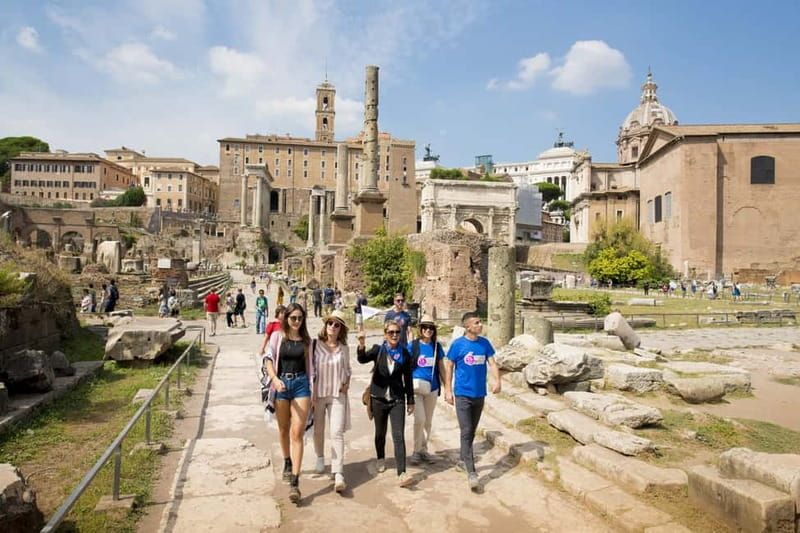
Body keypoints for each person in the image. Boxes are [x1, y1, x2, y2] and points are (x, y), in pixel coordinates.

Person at [444, 312, 500, 491]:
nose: (480, 324)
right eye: (477, 322)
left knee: (471, 431)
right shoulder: (458, 345)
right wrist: (447, 390)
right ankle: (472, 473)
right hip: (462, 395)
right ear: (468, 327)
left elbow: (492, 363)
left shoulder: (484, 344)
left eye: (480, 322)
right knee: (466, 431)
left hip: (479, 395)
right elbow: (449, 365)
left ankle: (462, 460)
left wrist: (497, 380)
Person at [263, 303, 312, 504]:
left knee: (297, 433)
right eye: (293, 318)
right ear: (286, 319)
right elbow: (268, 359)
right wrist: (274, 379)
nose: (297, 322)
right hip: (282, 383)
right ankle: (287, 461)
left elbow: (312, 368)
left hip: (301, 385)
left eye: (300, 318)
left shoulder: (308, 342)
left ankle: (295, 482)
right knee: (283, 429)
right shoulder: (277, 337)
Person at [357, 322, 415, 488]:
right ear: (385, 334)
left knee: (398, 435)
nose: (395, 335)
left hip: (397, 399)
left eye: (397, 332)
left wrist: (410, 400)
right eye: (391, 332)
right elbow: (361, 360)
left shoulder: (404, 353)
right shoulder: (378, 350)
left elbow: (408, 378)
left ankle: (402, 473)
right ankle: (381, 457)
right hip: (378, 398)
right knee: (380, 433)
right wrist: (361, 344)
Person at [312, 310, 352, 493]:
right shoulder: (315, 345)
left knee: (336, 432)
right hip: (319, 394)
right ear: (325, 325)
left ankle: (338, 472)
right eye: (331, 323)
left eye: (337, 325)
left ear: (341, 328)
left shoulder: (344, 347)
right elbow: (310, 368)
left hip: (337, 394)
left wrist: (347, 383)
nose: (333, 327)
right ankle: (320, 457)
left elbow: (348, 369)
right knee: (319, 429)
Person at [408, 315, 445, 465]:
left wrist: (447, 386)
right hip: (416, 387)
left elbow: (441, 366)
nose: (428, 330)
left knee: (428, 421)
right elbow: (404, 366)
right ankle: (416, 451)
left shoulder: (437, 346)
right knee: (420, 419)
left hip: (432, 387)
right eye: (425, 327)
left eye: (431, 328)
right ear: (420, 329)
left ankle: (423, 450)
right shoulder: (413, 346)